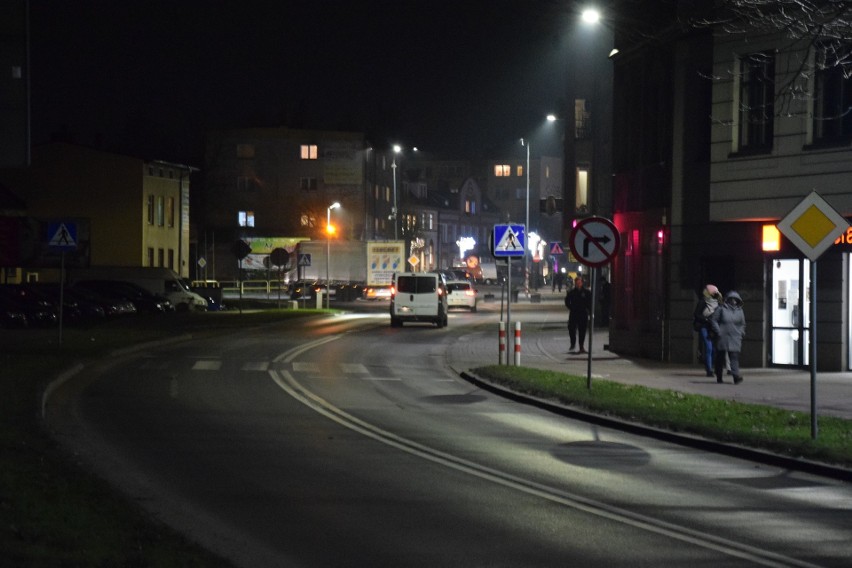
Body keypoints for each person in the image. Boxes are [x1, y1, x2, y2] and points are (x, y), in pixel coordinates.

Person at [710, 290, 746, 384]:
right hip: (723, 337)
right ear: (727, 299)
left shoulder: (740, 311)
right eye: (731, 299)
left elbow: (742, 324)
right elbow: (714, 320)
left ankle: (736, 376)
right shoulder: (721, 309)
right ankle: (719, 376)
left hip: (735, 337)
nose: (733, 301)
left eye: (735, 299)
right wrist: (718, 331)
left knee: (734, 357)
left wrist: (741, 332)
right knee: (720, 358)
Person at [693, 284, 723, 377]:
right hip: (704, 327)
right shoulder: (702, 302)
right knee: (708, 348)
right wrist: (706, 319)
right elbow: (696, 314)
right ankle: (709, 370)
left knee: (714, 349)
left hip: (713, 328)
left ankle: (712, 367)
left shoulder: (718, 303)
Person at [565, 276, 592, 353]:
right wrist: (571, 307)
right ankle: (573, 343)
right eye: (577, 283)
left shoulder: (586, 292)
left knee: (582, 330)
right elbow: (567, 301)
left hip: (583, 313)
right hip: (574, 313)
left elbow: (590, 302)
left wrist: (588, 310)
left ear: (582, 283)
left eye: (579, 283)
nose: (578, 284)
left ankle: (581, 346)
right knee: (571, 329)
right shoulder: (572, 292)